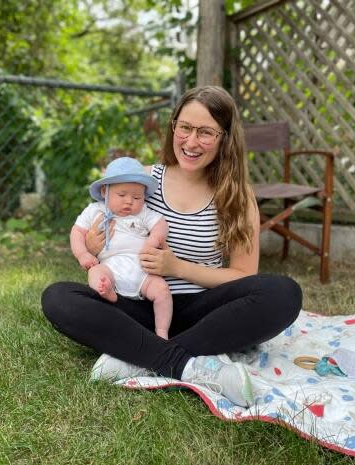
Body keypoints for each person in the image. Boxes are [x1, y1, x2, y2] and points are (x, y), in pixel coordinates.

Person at [42, 85, 302, 408]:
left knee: (284, 293)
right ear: (173, 127)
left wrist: (176, 267)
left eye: (205, 132)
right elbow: (101, 232)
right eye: (185, 128)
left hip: (203, 313)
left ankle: (139, 357)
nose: (191, 142)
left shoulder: (236, 194)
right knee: (58, 297)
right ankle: (186, 365)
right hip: (138, 305)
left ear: (224, 138)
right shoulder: (144, 181)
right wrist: (92, 247)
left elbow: (243, 274)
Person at [70, 156, 173, 339]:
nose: (129, 202)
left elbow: (161, 225)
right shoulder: (95, 211)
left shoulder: (143, 213)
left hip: (143, 271)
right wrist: (83, 254)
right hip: (111, 269)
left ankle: (162, 331)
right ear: (104, 191)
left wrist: (153, 240)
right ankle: (107, 293)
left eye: (136, 197)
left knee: (162, 290)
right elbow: (77, 232)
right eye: (122, 195)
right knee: (95, 273)